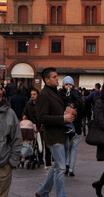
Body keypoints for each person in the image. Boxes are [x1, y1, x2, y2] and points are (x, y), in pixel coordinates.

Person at [36, 67, 75, 197]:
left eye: (56, 76)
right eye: (54, 77)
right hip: (53, 136)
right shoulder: (43, 95)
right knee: (61, 168)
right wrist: (63, 118)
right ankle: (61, 195)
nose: (57, 78)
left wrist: (69, 110)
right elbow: (42, 117)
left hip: (62, 134)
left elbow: (61, 107)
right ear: (47, 80)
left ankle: (43, 191)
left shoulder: (55, 92)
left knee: (57, 166)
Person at [60, 76, 83, 176]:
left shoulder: (76, 94)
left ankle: (71, 168)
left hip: (75, 126)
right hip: (66, 126)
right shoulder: (61, 94)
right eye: (66, 84)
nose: (68, 86)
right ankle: (66, 166)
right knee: (66, 148)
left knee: (73, 149)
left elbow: (81, 108)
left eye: (70, 84)